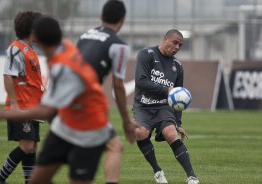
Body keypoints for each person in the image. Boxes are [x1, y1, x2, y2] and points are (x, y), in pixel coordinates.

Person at [0, 16, 109, 184]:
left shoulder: (63, 67)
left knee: (33, 151)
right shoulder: (65, 50)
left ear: (38, 38)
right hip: (65, 124)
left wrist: (1, 114)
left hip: (85, 130)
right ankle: (2, 180)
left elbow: (48, 109)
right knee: (31, 156)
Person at [77, 1, 135, 183]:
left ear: (101, 17)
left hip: (64, 98)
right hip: (85, 102)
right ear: (123, 19)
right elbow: (118, 86)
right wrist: (126, 121)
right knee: (115, 146)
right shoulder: (119, 45)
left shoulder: (85, 35)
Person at [133, 29, 200, 184]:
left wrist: (178, 123)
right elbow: (141, 81)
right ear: (165, 39)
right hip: (143, 105)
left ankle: (192, 177)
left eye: (180, 45)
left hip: (164, 107)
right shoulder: (146, 54)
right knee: (140, 132)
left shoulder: (178, 66)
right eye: (174, 42)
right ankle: (157, 171)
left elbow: (178, 99)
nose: (177, 47)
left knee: (171, 133)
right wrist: (166, 89)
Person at [0, 11, 43, 184]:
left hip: (32, 107)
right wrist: (14, 104)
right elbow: (8, 75)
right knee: (26, 146)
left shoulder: (31, 51)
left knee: (32, 147)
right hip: (20, 107)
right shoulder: (15, 49)